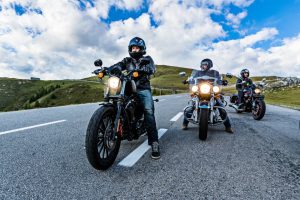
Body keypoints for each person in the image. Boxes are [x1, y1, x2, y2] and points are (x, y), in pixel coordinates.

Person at [107, 37, 160, 159]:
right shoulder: (127, 60)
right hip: (128, 87)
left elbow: (152, 68)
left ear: (142, 49)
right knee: (116, 101)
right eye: (133, 48)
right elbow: (119, 65)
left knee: (148, 111)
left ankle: (154, 142)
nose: (135, 50)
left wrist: (146, 69)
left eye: (137, 48)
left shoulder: (147, 59)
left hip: (143, 88)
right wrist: (112, 69)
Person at [182, 58, 234, 133]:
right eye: (203, 64)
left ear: (209, 65)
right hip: (199, 92)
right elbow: (192, 79)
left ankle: (228, 126)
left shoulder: (214, 72)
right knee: (192, 106)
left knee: (220, 106)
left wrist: (223, 81)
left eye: (206, 64)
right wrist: (187, 81)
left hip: (212, 92)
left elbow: (219, 79)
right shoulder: (198, 73)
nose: (204, 66)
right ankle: (185, 123)